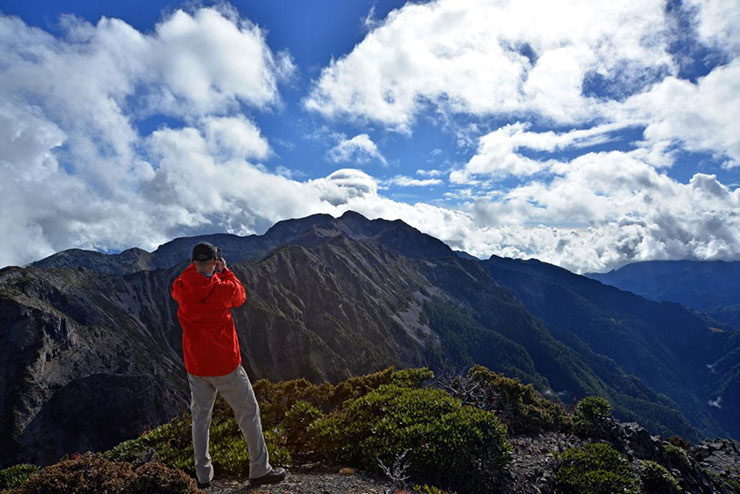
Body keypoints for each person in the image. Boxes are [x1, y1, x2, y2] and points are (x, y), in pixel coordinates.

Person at [170, 242, 286, 488]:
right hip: (226, 365)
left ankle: (203, 477)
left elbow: (184, 282)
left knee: (201, 419)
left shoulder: (180, 287)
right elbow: (240, 294)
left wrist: (203, 270)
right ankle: (259, 469)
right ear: (214, 262)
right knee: (248, 413)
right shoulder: (221, 289)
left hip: (196, 367)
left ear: (192, 263)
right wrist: (225, 271)